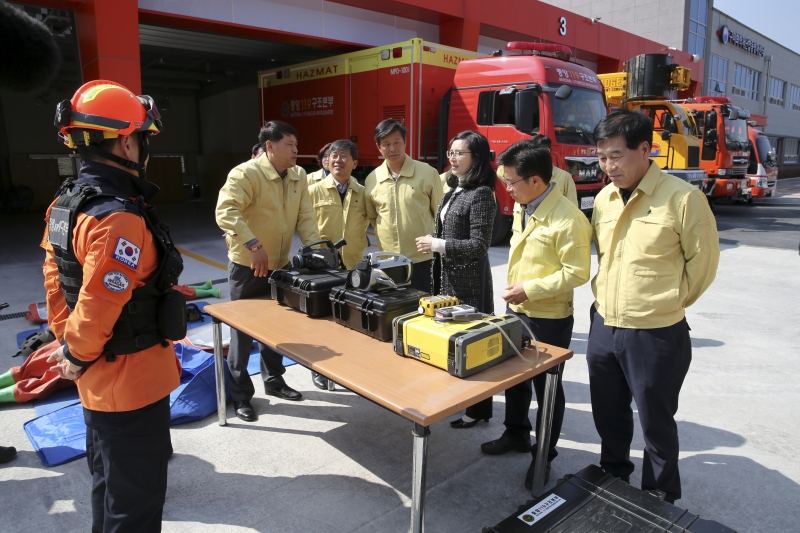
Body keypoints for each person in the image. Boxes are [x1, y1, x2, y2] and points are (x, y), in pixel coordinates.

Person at [44, 80, 182, 532]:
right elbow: (100, 299)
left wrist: (70, 350)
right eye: (144, 138)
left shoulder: (65, 206)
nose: (145, 149)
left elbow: (56, 284)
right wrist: (76, 353)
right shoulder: (119, 216)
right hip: (130, 381)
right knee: (135, 505)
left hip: (96, 377)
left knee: (108, 484)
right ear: (126, 140)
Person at [587, 110, 719, 503]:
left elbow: (703, 264)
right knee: (608, 414)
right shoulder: (604, 199)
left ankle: (660, 492)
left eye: (616, 155)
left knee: (656, 420)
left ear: (646, 149)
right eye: (602, 157)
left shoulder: (683, 198)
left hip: (656, 332)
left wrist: (667, 304)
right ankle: (613, 475)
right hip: (604, 325)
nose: (608, 166)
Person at [479, 138, 592, 490]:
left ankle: (544, 454)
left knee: (548, 388)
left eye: (510, 182)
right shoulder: (523, 205)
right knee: (514, 378)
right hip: (517, 307)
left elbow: (577, 272)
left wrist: (531, 288)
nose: (506, 189)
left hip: (548, 316)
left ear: (536, 181)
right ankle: (516, 434)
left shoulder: (568, 219)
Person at [216, 120, 321, 422]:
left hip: (281, 265)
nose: (296, 152)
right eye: (290, 145)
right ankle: (240, 397)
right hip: (248, 266)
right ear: (270, 147)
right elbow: (226, 211)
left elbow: (305, 215)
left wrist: (316, 248)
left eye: (297, 146)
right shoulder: (245, 174)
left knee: (277, 329)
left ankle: (274, 381)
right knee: (242, 333)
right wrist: (251, 243)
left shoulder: (298, 175)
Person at [415, 131, 496, 428]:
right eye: (451, 152)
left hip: (469, 284)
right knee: (453, 343)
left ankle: (477, 410)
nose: (453, 157)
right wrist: (436, 241)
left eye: (460, 153)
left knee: (472, 345)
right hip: (446, 279)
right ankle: (463, 401)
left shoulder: (482, 195)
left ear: (477, 158)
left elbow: (478, 246)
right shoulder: (452, 191)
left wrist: (437, 244)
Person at [307, 139, 369, 390]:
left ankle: (348, 367)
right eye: (333, 155)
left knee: (350, 318)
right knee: (322, 318)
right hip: (322, 266)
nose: (337, 160)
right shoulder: (313, 190)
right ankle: (320, 368)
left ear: (355, 163)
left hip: (353, 264)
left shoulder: (364, 193)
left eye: (344, 156)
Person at [365, 119, 443, 292]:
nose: (392, 148)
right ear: (378, 147)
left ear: (405, 142)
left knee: (424, 309)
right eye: (386, 144)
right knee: (393, 310)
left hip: (423, 259)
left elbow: (440, 215)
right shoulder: (372, 179)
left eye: (397, 142)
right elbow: (373, 216)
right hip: (388, 260)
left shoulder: (428, 173)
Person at [495, 135, 578, 207]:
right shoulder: (520, 177)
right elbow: (500, 171)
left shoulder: (565, 177)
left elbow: (572, 206)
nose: (508, 188)